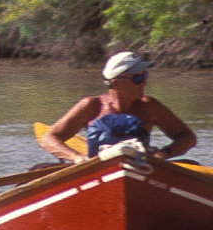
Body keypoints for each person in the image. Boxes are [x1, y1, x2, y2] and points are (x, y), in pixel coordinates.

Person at [48, 50, 196, 163]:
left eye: (144, 76)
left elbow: (187, 137)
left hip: (141, 167)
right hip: (97, 167)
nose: (144, 82)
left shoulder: (149, 106)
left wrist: (164, 153)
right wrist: (76, 157)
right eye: (137, 78)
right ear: (115, 83)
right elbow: (50, 138)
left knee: (192, 163)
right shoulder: (91, 106)